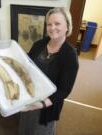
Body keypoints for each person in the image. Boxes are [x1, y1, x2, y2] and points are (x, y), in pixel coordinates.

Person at [18, 7, 79, 135]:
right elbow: (28, 65)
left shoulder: (70, 56)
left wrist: (42, 104)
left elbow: (64, 91)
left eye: (57, 24)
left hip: (47, 106)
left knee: (40, 131)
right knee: (25, 128)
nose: (52, 28)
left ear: (67, 26)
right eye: (49, 24)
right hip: (30, 96)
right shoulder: (39, 44)